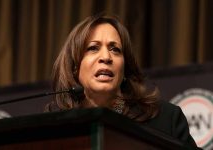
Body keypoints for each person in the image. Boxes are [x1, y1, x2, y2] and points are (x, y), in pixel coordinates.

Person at [46, 13, 199, 148]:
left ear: (125, 69)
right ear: (74, 67)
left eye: (115, 49)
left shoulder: (166, 120)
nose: (106, 57)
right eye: (93, 48)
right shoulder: (55, 129)